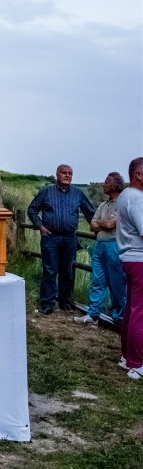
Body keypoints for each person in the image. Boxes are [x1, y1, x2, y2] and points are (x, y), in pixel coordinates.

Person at [27, 164, 95, 314]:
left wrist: (99, 229)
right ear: (57, 174)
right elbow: (32, 209)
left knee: (67, 271)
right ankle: (47, 303)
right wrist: (40, 226)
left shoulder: (78, 193)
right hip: (50, 237)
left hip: (69, 238)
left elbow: (90, 213)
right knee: (50, 270)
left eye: (70, 173)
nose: (67, 175)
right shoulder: (46, 192)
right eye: (64, 173)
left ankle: (65, 301)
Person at [74, 172, 126, 325]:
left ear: (115, 185)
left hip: (114, 246)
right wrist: (105, 223)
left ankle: (120, 317)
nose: (103, 184)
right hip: (100, 246)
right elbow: (92, 225)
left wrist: (103, 224)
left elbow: (110, 225)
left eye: (106, 182)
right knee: (97, 280)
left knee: (117, 282)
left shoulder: (123, 203)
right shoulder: (104, 205)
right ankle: (93, 314)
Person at [116, 157, 143, 379]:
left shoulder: (125, 195)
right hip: (139, 259)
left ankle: (127, 357)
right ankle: (137, 363)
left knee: (132, 309)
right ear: (139, 175)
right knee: (139, 313)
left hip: (129, 258)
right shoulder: (137, 199)